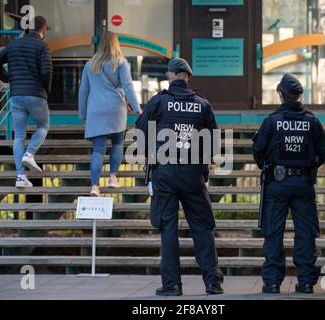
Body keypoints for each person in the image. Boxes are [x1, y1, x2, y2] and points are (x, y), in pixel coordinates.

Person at [135, 58, 224, 297]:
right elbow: (214, 144)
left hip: (165, 173)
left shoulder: (158, 102)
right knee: (203, 227)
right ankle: (212, 282)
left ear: (172, 75)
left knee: (168, 228)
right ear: (188, 77)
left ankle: (172, 285)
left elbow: (139, 134)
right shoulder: (202, 104)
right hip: (193, 173)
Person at [252, 74, 325, 294]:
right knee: (305, 233)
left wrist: (270, 167)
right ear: (298, 96)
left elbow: (258, 152)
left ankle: (273, 282)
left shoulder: (272, 121)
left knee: (273, 233)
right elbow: (323, 152)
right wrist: (308, 167)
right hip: (303, 183)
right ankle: (305, 282)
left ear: (281, 94)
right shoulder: (312, 121)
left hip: (277, 183)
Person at [0, 16, 52, 188]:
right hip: (36, 95)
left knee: (18, 136)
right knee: (43, 126)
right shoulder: (43, 46)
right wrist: (47, 90)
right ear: (44, 30)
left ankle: (21, 176)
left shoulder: (13, 45)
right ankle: (30, 153)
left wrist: (8, 78)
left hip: (16, 96)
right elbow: (47, 71)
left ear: (27, 29)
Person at [79, 31, 142, 197]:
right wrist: (137, 108)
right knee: (117, 144)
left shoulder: (90, 65)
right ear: (116, 44)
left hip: (96, 110)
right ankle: (113, 177)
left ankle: (94, 187)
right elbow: (128, 87)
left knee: (98, 149)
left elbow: (83, 90)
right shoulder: (120, 63)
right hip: (116, 109)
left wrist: (83, 113)